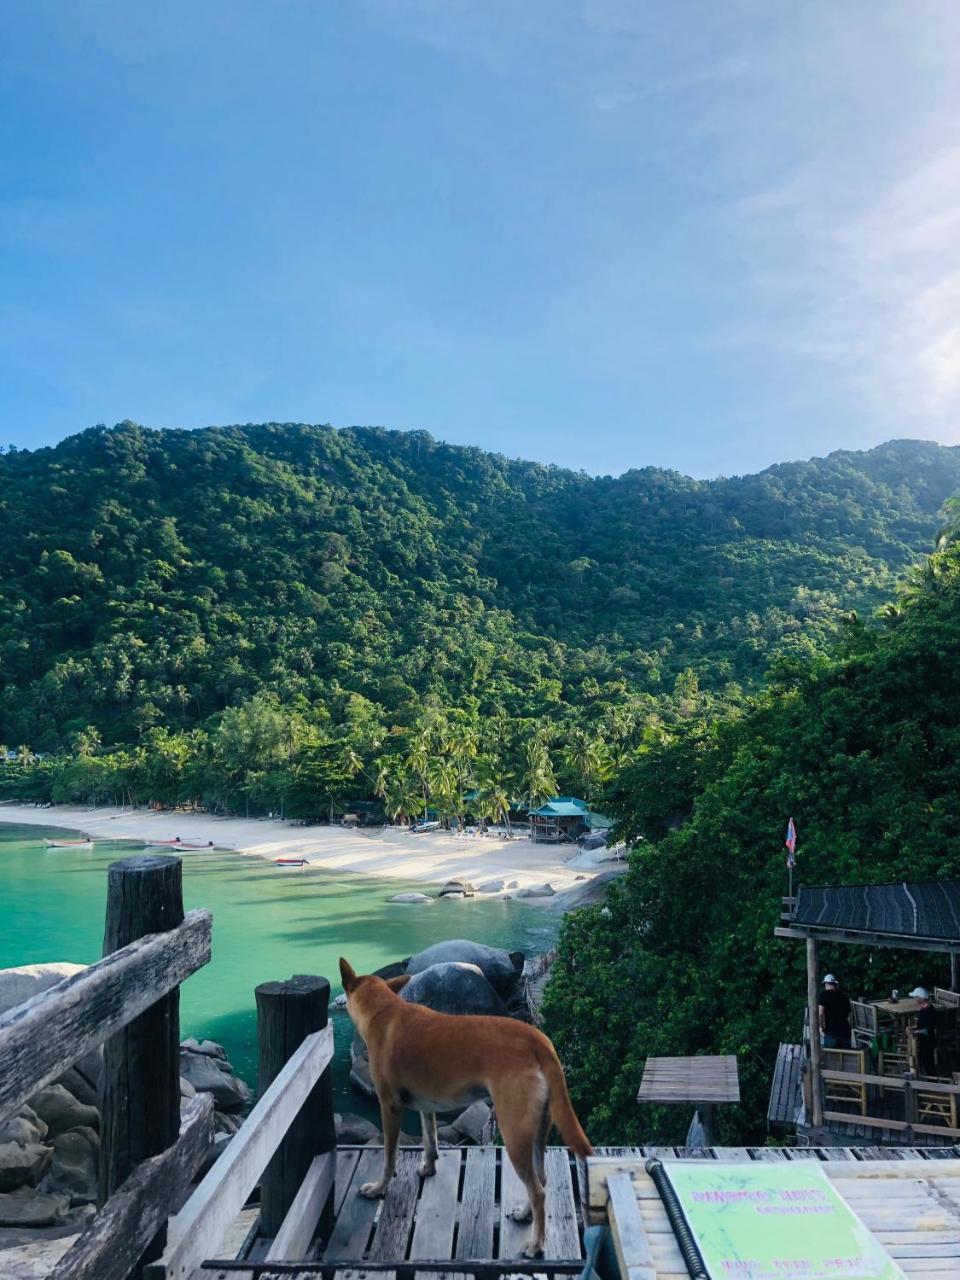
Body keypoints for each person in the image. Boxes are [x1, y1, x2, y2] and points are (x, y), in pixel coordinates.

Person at [819, 973, 851, 1048]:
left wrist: (821, 1027)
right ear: (835, 984)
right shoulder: (844, 997)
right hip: (845, 1034)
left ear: (826, 984)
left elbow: (820, 1013)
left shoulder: (823, 995)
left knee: (830, 1058)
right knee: (847, 1058)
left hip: (831, 1034)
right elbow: (849, 1017)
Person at [910, 986, 937, 1076]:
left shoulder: (929, 1011)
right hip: (923, 1041)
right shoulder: (923, 1008)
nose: (914, 999)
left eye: (916, 997)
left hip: (928, 1041)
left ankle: (933, 1084)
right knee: (924, 1063)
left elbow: (927, 1030)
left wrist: (915, 1032)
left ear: (921, 998)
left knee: (929, 1064)